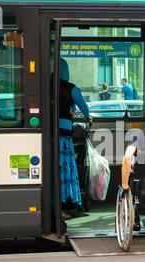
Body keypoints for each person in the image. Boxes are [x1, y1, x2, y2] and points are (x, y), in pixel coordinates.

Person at [58, 58, 91, 219]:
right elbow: (84, 108)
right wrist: (88, 117)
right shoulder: (71, 88)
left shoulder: (45, 84)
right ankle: (68, 200)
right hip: (64, 132)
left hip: (49, 131)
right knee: (66, 167)